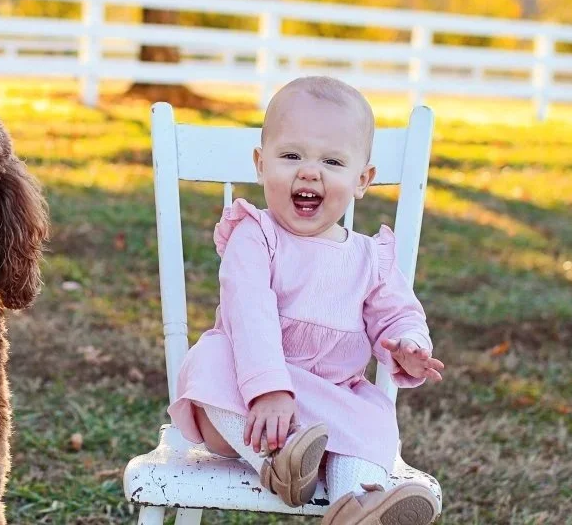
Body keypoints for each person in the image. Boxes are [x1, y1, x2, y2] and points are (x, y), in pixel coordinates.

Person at [168, 76, 446, 524]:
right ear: (261, 164)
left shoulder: (369, 257)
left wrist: (408, 344)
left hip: (329, 404)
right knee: (209, 357)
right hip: (247, 405)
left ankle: (356, 504)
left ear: (362, 180)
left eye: (332, 161)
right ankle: (278, 466)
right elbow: (249, 313)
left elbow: (397, 312)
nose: (309, 171)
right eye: (291, 155)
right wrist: (270, 390)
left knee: (373, 413)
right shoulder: (254, 235)